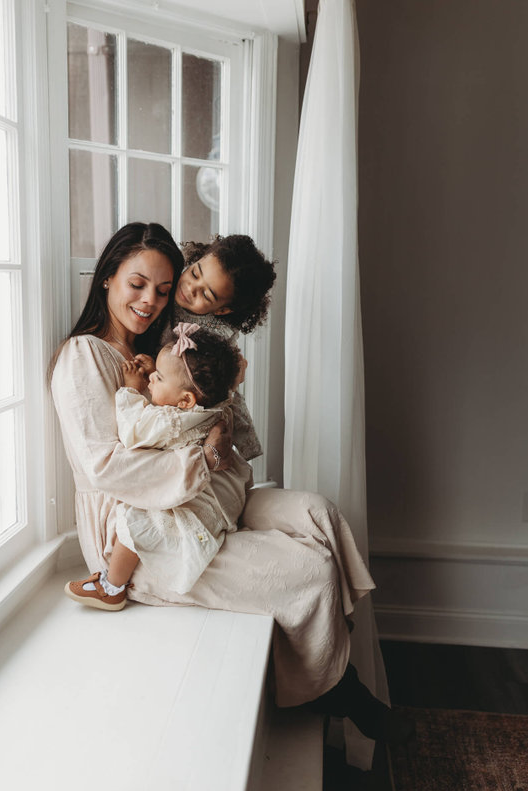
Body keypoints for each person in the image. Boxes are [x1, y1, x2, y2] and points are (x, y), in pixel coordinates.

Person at [50, 221, 412, 745]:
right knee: (311, 571)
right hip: (139, 528)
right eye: (137, 284)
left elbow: (214, 424)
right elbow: (105, 467)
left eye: (163, 289)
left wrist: (221, 409)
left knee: (319, 514)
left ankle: (328, 649)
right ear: (107, 276)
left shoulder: (166, 345)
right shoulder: (83, 356)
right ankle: (335, 690)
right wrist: (202, 459)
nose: (150, 301)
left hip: (205, 495)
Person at [64, 323, 252, 610]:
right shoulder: (215, 403)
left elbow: (133, 430)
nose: (151, 378)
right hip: (226, 497)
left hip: (196, 502)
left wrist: (131, 389)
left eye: (158, 377)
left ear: (185, 400)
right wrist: (163, 372)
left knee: (134, 523)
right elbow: (187, 384)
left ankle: (112, 586)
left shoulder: (169, 421)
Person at [170, 235, 276, 461]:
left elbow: (227, 393)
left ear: (222, 310)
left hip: (196, 401)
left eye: (206, 294)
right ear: (196, 260)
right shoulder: (164, 286)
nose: (191, 288)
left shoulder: (217, 333)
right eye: (194, 273)